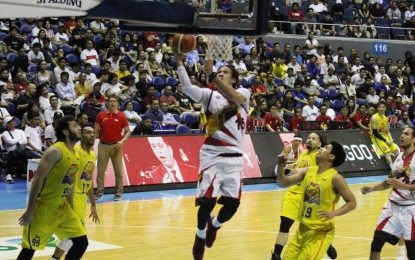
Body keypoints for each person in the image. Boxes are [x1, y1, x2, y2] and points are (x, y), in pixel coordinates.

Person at [173, 48, 251, 260]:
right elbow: (188, 88)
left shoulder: (244, 94)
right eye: (220, 72)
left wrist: (211, 75)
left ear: (234, 78)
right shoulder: (210, 95)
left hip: (234, 158)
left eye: (225, 72)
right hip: (212, 155)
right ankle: (199, 236)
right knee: (206, 202)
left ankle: (214, 226)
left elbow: (233, 95)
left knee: (232, 205)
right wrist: (180, 63)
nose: (222, 74)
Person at [17, 115, 89, 260]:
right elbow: (37, 179)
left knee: (81, 243)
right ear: (66, 132)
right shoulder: (55, 151)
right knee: (29, 249)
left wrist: (72, 206)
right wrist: (30, 210)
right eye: (75, 125)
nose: (79, 127)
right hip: (44, 208)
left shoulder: (75, 154)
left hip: (63, 208)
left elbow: (70, 182)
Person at [276, 140, 356, 260]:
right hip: (302, 229)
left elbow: (352, 203)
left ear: (331, 156)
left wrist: (334, 213)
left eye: (325, 148)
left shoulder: (336, 178)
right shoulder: (309, 171)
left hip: (320, 232)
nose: (321, 148)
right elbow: (284, 183)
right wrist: (281, 168)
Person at [271, 132, 337, 260]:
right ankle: (276, 254)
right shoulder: (303, 154)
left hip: (309, 197)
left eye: (314, 139)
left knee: (311, 226)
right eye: (309, 138)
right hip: (293, 194)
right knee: (284, 225)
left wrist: (301, 170)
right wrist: (284, 166)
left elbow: (321, 169)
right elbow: (295, 170)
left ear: (319, 143)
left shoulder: (320, 156)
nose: (310, 140)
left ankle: (327, 245)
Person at [361, 126, 415, 260]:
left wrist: (405, 186)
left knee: (412, 253)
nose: (402, 136)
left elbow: (403, 184)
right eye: (402, 133)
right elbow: (389, 181)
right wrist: (372, 189)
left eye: (406, 134)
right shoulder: (398, 156)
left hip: (411, 210)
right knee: (377, 242)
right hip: (392, 207)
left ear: (414, 139)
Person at [51, 126, 100, 260]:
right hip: (72, 198)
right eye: (88, 132)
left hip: (82, 199)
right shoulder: (75, 152)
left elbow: (88, 180)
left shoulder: (92, 155)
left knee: (69, 236)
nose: (92, 135)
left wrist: (93, 204)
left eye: (93, 133)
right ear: (81, 136)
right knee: (79, 239)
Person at [94, 96, 131, 201]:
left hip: (117, 146)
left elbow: (128, 131)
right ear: (107, 103)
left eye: (114, 101)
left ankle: (118, 193)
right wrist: (92, 143)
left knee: (118, 171)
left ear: (118, 104)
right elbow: (95, 130)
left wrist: (123, 141)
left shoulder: (121, 116)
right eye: (110, 101)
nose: (112, 103)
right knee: (101, 171)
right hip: (103, 145)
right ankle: (99, 192)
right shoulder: (101, 115)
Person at [369, 101, 399, 167]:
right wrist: (386, 141)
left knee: (396, 150)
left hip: (384, 136)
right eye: (380, 107)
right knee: (387, 152)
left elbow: (387, 131)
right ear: (377, 108)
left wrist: (391, 139)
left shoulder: (385, 118)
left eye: (383, 107)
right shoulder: (374, 118)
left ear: (385, 109)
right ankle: (392, 168)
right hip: (376, 137)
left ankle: (398, 166)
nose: (382, 108)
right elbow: (375, 132)